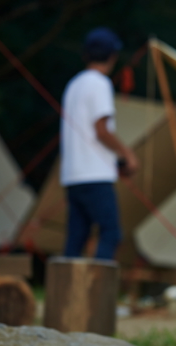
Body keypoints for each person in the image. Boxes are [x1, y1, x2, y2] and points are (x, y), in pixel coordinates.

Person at [60, 27, 138, 260]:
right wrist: (128, 154)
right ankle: (95, 294)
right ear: (112, 56)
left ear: (86, 54)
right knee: (111, 233)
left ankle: (64, 292)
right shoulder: (100, 83)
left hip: (72, 175)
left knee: (77, 237)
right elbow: (101, 130)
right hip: (95, 175)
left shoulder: (73, 85)